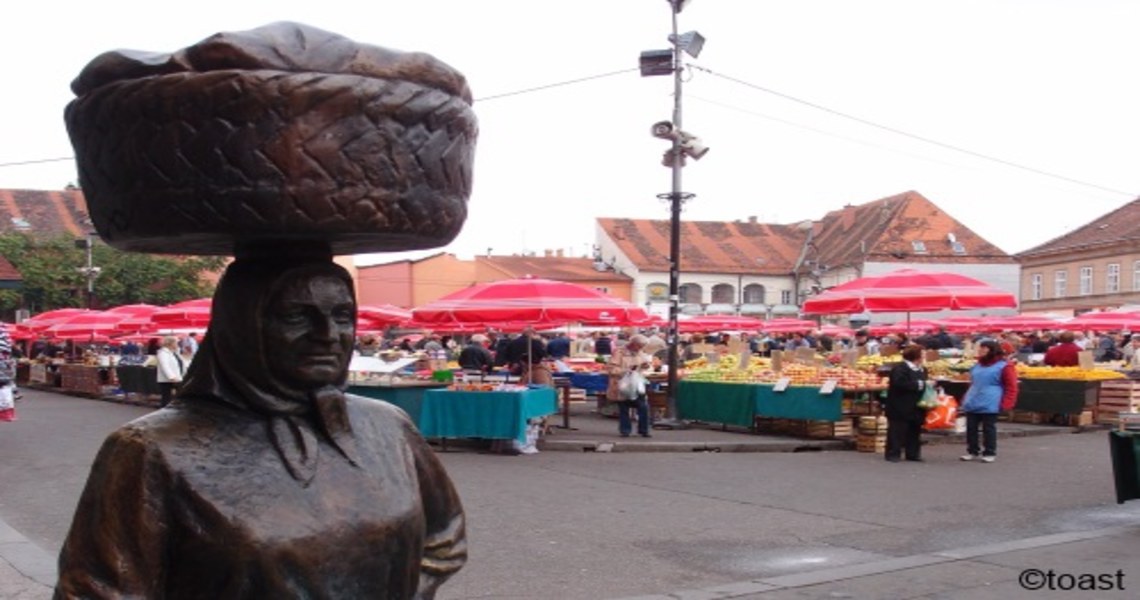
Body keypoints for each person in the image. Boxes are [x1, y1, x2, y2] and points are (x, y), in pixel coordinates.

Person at [55, 256, 466, 598]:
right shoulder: (152, 449)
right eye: (296, 316)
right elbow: (97, 591)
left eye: (342, 316)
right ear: (242, 325)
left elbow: (445, 535)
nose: (328, 335)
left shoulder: (387, 426)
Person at [960, 339, 1018, 463]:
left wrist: (1007, 402)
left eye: (984, 348)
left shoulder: (1005, 366)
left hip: (991, 401)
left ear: (992, 350)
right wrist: (966, 397)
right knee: (971, 428)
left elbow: (1011, 386)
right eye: (980, 348)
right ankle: (972, 450)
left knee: (988, 428)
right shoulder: (977, 365)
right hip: (973, 399)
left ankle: (989, 452)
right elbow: (973, 383)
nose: (980, 350)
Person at [883, 345, 929, 463]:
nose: (924, 356)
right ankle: (893, 453)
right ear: (916, 356)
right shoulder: (900, 369)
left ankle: (913, 453)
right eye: (922, 354)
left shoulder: (922, 369)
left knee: (914, 430)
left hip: (916, 404)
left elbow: (924, 383)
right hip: (899, 405)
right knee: (897, 430)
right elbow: (899, 384)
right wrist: (920, 384)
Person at [606, 334, 652, 438]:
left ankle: (644, 430)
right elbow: (611, 369)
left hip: (636, 385)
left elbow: (644, 364)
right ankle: (625, 430)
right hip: (622, 385)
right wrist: (626, 371)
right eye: (639, 346)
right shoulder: (619, 352)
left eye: (642, 346)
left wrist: (645, 365)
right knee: (624, 408)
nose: (640, 348)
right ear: (633, 343)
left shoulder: (640, 353)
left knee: (643, 407)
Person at [155, 335, 185, 408]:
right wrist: (171, 377)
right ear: (170, 343)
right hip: (168, 379)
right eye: (176, 343)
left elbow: (181, 363)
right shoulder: (163, 353)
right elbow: (165, 366)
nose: (177, 344)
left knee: (178, 396)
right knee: (166, 398)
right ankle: (165, 411)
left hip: (177, 378)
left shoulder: (174, 353)